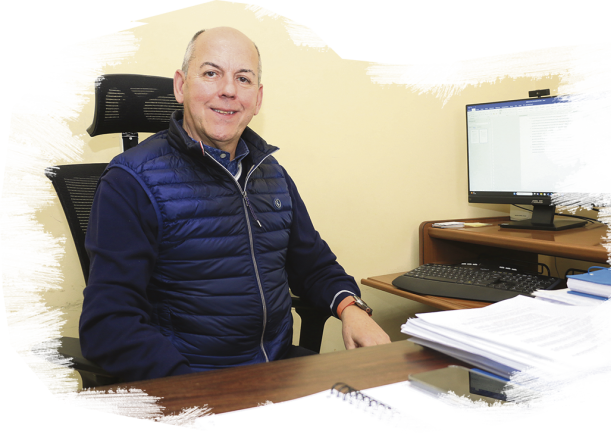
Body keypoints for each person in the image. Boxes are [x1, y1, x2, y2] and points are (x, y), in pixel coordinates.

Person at [79, 27, 390, 382]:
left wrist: (352, 308)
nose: (228, 90)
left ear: (257, 99)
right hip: (192, 380)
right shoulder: (130, 182)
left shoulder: (270, 173)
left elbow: (314, 266)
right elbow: (109, 322)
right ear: (181, 86)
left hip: (278, 372)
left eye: (243, 79)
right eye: (211, 73)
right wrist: (190, 390)